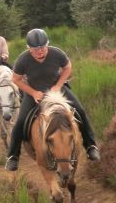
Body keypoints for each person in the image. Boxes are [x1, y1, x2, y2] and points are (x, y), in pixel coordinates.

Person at [5, 28, 100, 171]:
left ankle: (91, 146)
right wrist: (33, 92)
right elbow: (16, 79)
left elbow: (67, 67)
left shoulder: (57, 53)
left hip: (57, 89)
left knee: (80, 110)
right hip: (35, 93)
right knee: (21, 121)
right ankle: (13, 156)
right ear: (29, 49)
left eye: (42, 48)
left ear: (47, 44)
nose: (40, 52)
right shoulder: (23, 60)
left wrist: (58, 85)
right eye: (35, 49)